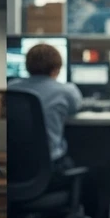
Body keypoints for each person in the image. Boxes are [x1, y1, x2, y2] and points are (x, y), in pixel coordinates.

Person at [7, 43, 82, 188]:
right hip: (51, 171)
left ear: (28, 67)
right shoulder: (66, 91)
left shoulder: (11, 88)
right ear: (57, 69)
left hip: (14, 169)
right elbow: (75, 108)